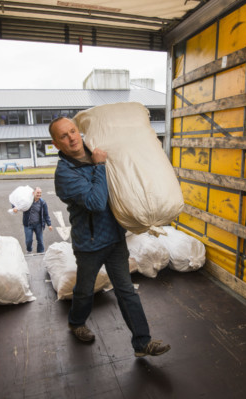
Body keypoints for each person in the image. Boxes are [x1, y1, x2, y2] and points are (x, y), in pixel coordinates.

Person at [48, 116, 170, 357]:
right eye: (64, 135)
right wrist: (100, 166)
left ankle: (142, 343)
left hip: (115, 238)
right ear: (56, 143)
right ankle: (76, 322)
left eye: (73, 131)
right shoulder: (64, 174)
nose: (72, 137)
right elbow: (94, 202)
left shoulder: (97, 149)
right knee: (83, 290)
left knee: (126, 291)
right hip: (90, 243)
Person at [13, 187, 52, 253]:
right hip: (28, 224)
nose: (39, 194)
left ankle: (40, 253)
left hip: (38, 225)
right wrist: (14, 207)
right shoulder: (27, 201)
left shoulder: (43, 203)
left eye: (40, 193)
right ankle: (29, 250)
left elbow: (46, 214)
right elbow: (16, 201)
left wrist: (49, 224)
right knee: (29, 240)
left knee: (40, 241)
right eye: (37, 193)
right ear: (33, 193)